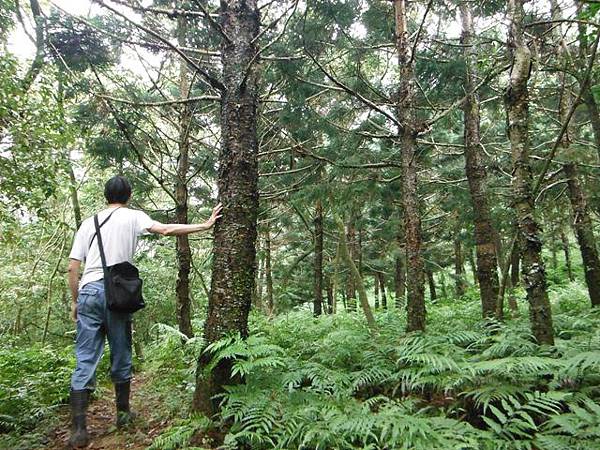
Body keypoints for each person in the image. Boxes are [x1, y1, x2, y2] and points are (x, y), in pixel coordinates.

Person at [66, 175, 222, 448]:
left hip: (89, 291)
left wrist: (75, 301)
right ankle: (123, 416)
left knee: (85, 357)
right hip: (117, 292)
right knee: (121, 350)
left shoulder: (88, 222)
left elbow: (73, 266)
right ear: (128, 195)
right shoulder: (133, 216)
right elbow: (165, 229)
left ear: (106, 195)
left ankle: (79, 429)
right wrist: (205, 224)